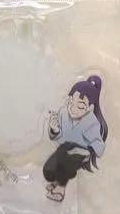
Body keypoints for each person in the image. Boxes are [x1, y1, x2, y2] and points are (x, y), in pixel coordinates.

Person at [43, 75, 108, 203]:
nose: (73, 109)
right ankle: (57, 181)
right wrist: (55, 130)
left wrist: (87, 152)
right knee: (49, 170)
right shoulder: (63, 113)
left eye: (80, 106)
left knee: (65, 162)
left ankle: (60, 190)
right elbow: (58, 137)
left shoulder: (91, 122)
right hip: (64, 148)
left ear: (90, 108)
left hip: (81, 152)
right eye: (71, 103)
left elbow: (98, 144)